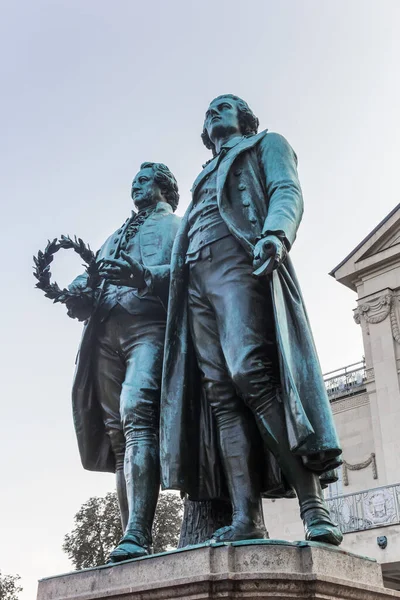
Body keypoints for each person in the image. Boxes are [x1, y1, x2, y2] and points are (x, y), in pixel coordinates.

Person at [161, 95, 343, 545]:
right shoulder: (201, 177)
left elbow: (286, 190)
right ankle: (246, 517)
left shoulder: (267, 143)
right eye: (208, 111)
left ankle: (314, 506)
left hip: (239, 262)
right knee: (221, 396)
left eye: (225, 106)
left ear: (244, 116)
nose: (214, 113)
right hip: (194, 284)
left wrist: (276, 233)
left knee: (251, 374)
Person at [68, 162, 181, 561]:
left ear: (164, 187)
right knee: (118, 436)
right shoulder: (114, 236)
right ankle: (128, 534)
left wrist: (145, 276)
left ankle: (138, 532)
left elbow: (188, 271)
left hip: (147, 327)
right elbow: (93, 279)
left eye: (145, 179)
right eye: (134, 181)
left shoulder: (176, 226)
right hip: (104, 335)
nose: (136, 185)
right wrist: (77, 292)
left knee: (137, 414)